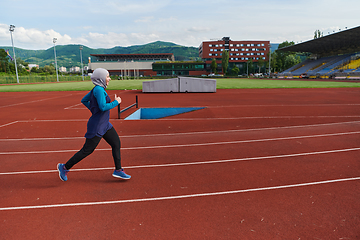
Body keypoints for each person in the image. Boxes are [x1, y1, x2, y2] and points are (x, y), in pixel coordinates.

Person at [57, 68, 131, 181]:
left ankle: (118, 170)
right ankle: (65, 167)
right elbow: (102, 107)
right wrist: (116, 102)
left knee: (116, 143)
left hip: (105, 124)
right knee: (87, 150)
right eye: (107, 76)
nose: (109, 78)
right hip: (97, 126)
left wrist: (94, 110)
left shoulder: (97, 89)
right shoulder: (99, 90)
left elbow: (84, 100)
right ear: (101, 78)